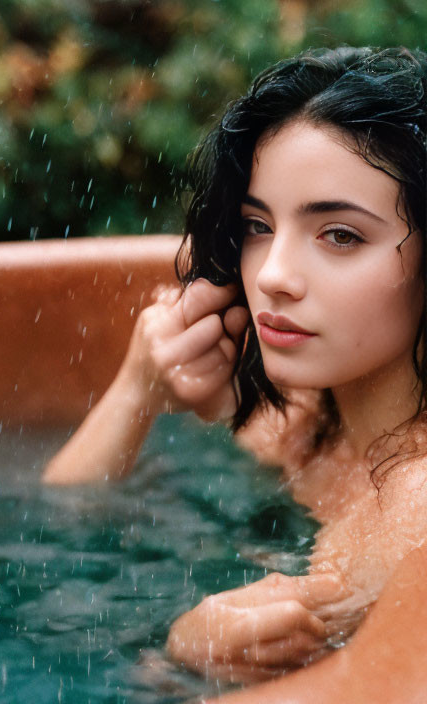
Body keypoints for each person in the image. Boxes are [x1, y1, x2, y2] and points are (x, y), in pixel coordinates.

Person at [42, 46, 427, 684]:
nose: (273, 275)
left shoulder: (413, 511)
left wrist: (183, 658)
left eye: (340, 235)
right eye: (257, 226)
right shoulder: (297, 424)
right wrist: (138, 389)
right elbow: (59, 528)